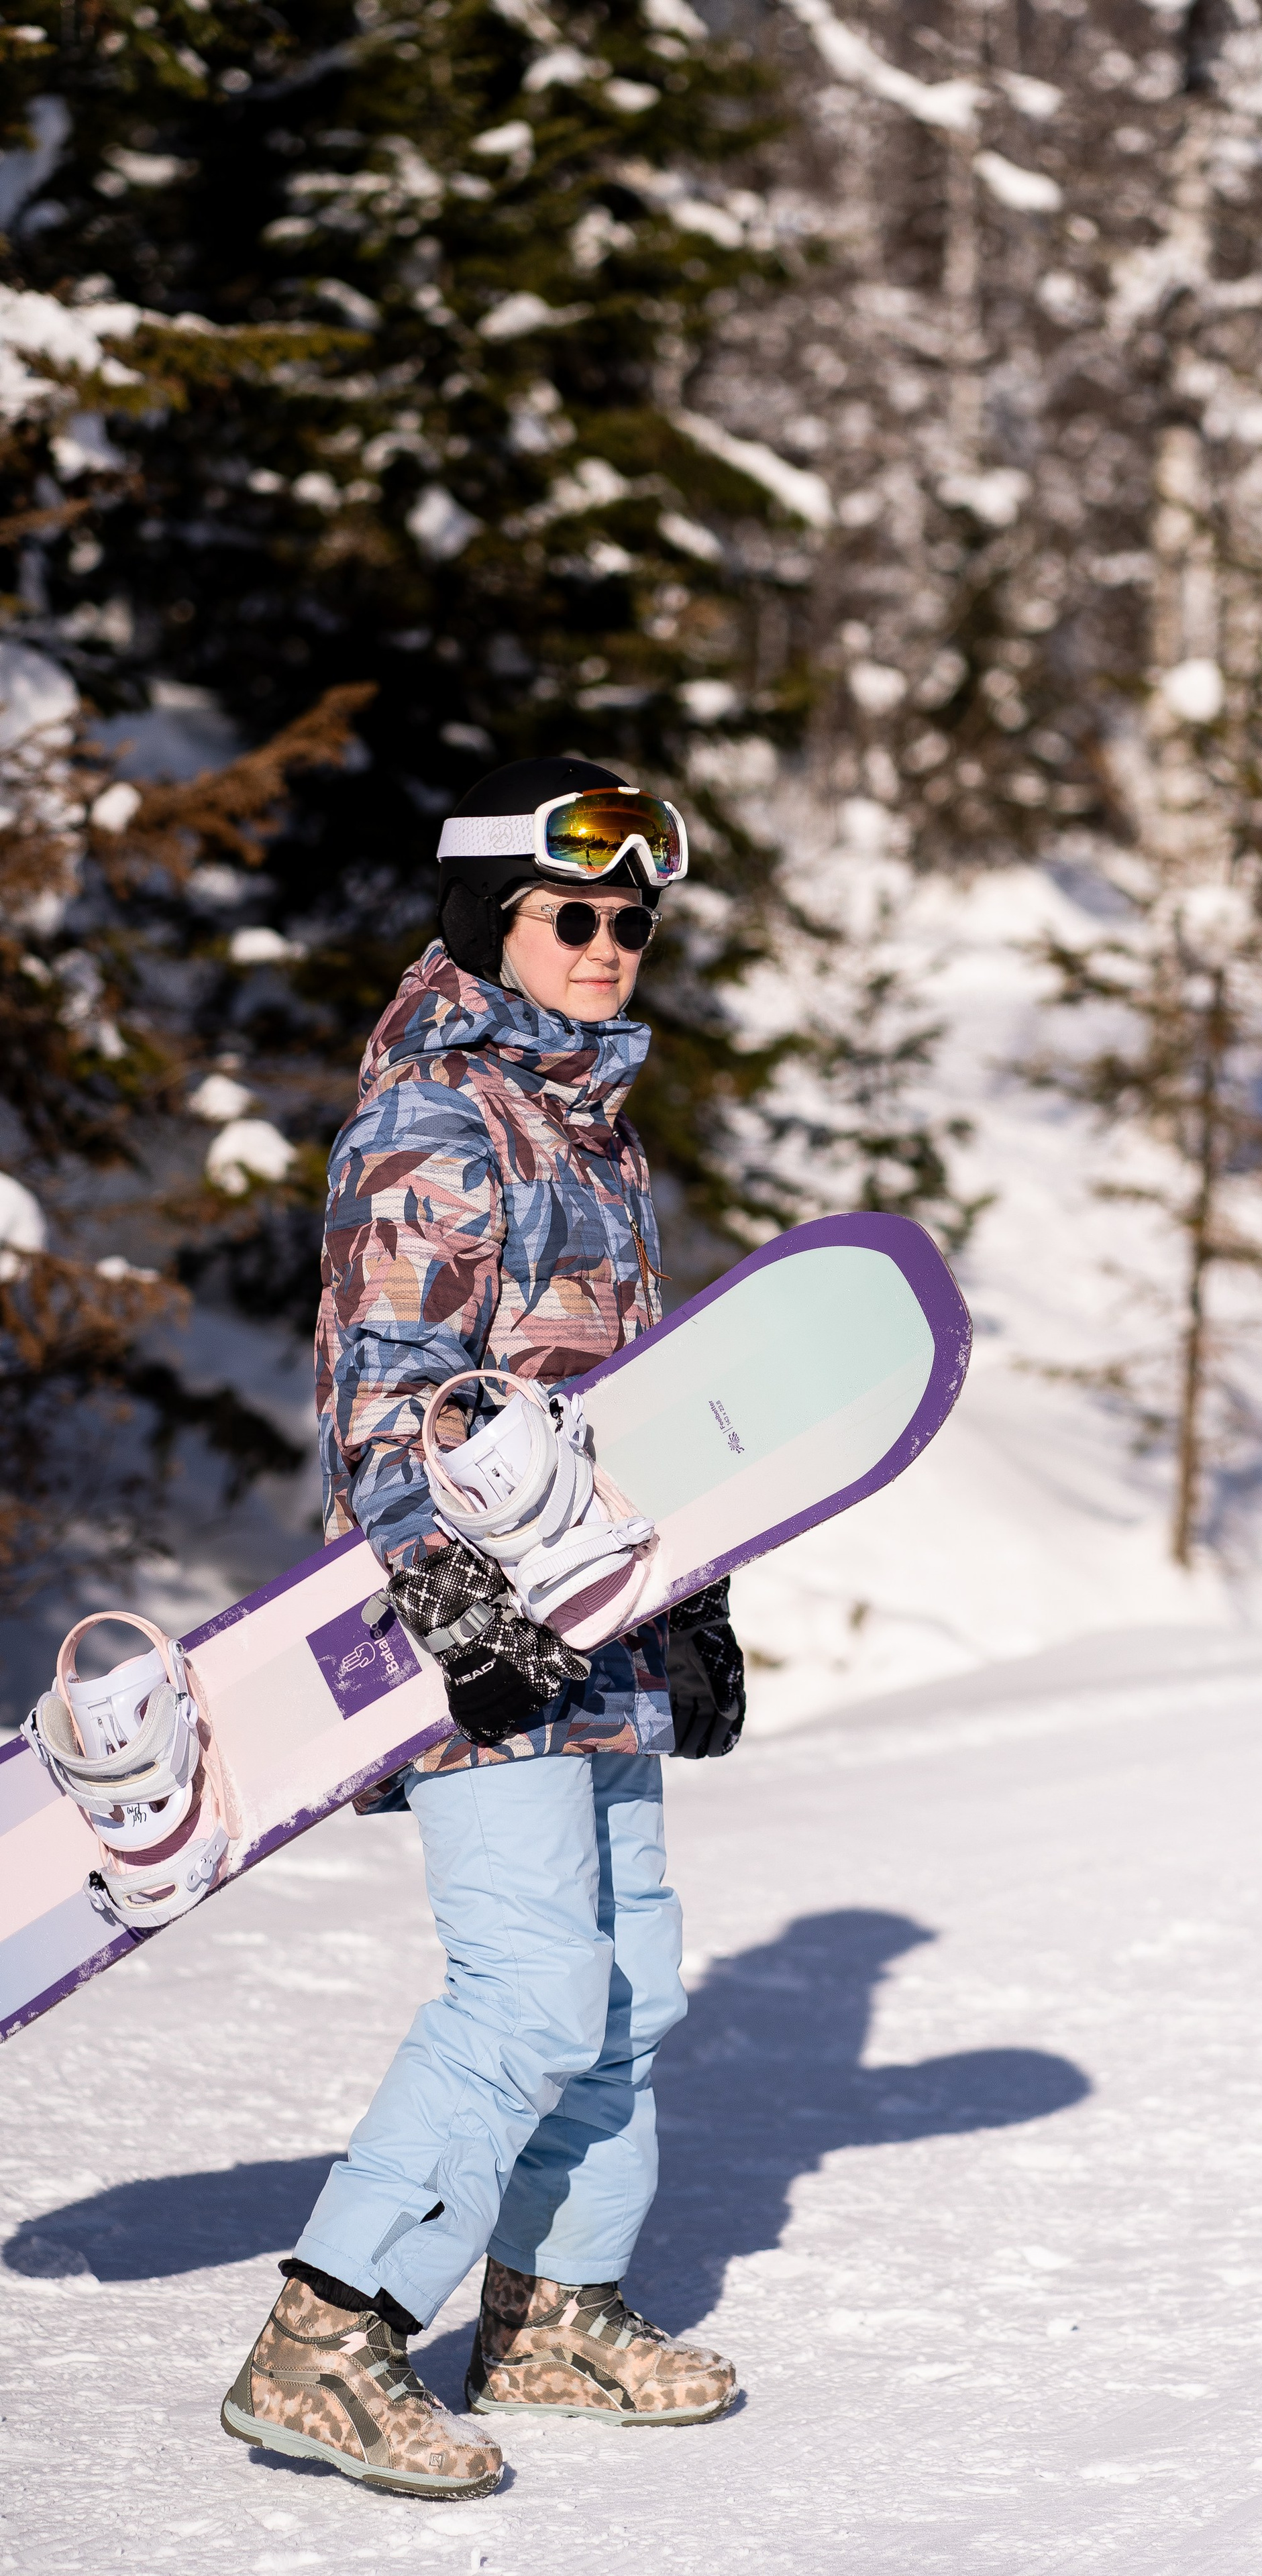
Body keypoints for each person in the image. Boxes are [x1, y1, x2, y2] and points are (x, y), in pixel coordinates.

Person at [219, 756, 746, 2501]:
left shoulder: (592, 1129)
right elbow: (385, 1400)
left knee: (632, 1986)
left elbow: (637, 1407)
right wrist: (454, 1613)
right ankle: (328, 2335)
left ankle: (549, 2310)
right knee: (531, 1986)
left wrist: (697, 1602)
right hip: (469, 1629)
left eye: (632, 919)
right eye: (574, 915)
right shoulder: (439, 1124)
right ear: (489, 920)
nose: (613, 945)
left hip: (598, 1624)